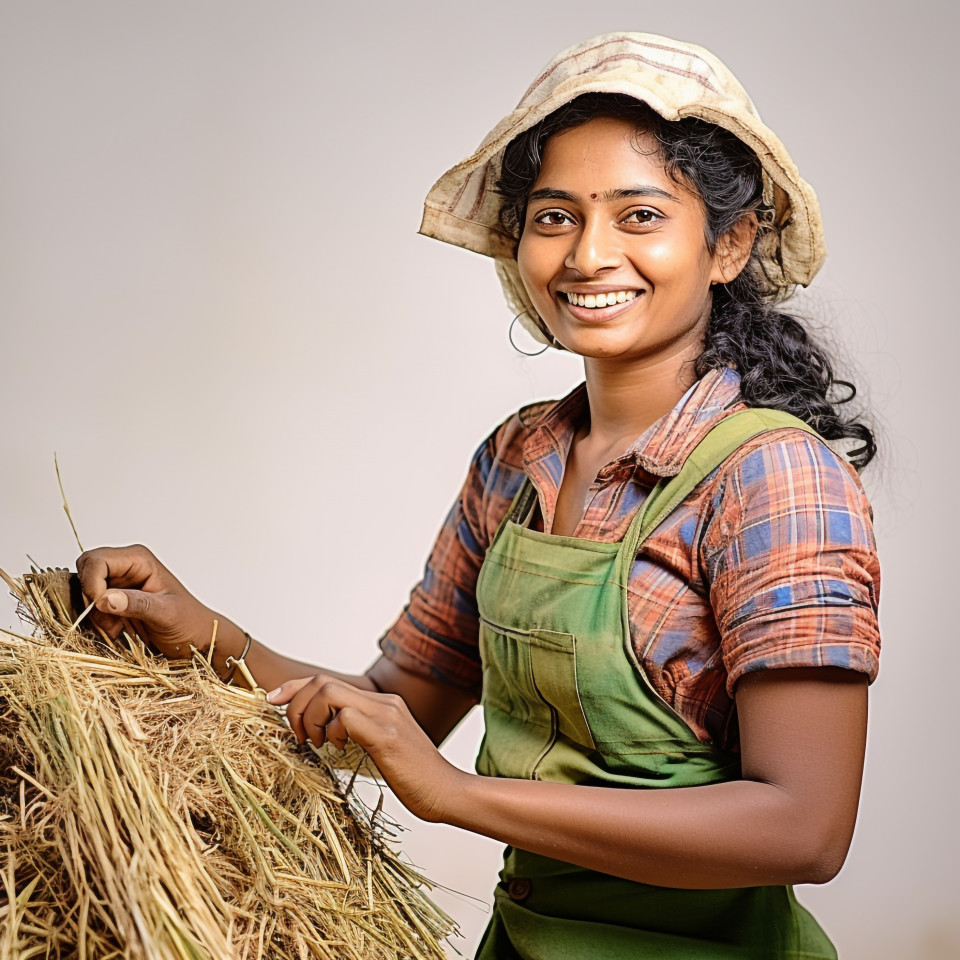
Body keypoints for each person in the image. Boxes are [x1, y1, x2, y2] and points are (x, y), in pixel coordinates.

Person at [76, 33, 881, 959]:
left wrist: (458, 797)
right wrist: (198, 630)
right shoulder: (518, 458)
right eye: (554, 217)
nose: (589, 255)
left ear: (728, 242)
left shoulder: (773, 477)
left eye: (640, 215)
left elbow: (805, 829)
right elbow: (392, 715)